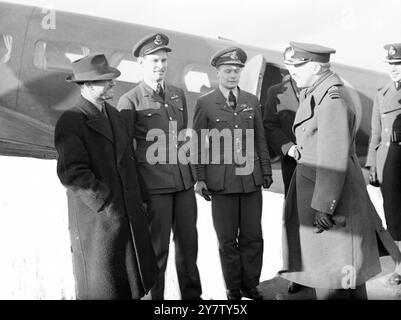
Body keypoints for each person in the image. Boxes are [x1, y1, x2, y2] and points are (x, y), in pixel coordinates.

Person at [280, 42, 401, 300]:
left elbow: (333, 158)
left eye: (297, 67)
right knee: (342, 277)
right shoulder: (319, 93)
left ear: (314, 67)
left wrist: (324, 206)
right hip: (322, 194)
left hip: (328, 203)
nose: (293, 73)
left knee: (332, 279)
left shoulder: (331, 100)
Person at [54, 53, 158, 299]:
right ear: (88, 85)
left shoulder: (115, 115)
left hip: (129, 217)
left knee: (133, 285)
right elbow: (72, 173)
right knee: (106, 288)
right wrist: (107, 203)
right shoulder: (71, 120)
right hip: (101, 223)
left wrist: (142, 201)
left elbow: (129, 163)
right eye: (106, 80)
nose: (113, 83)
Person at [117, 33, 202, 300]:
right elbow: (125, 154)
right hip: (155, 190)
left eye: (164, 60)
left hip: (184, 186)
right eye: (154, 60)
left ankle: (192, 299)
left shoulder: (177, 95)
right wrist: (137, 194)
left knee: (189, 248)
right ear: (141, 63)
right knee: (157, 251)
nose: (160, 65)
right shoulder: (129, 101)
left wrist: (193, 177)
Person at [193, 47, 273, 300]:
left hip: (250, 181)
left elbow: (260, 139)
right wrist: (200, 177)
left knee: (253, 236)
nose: (232, 75)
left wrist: (266, 170)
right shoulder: (205, 103)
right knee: (227, 240)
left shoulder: (251, 101)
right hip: (221, 182)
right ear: (217, 72)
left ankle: (251, 285)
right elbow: (197, 144)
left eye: (237, 70)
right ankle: (233, 290)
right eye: (227, 70)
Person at [263, 47, 304, 294]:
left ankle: (326, 268)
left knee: (324, 213)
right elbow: (269, 124)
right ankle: (297, 271)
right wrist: (288, 148)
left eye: (299, 63)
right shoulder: (275, 92)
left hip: (321, 162)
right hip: (292, 163)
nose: (294, 69)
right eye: (290, 64)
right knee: (295, 217)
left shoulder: (321, 89)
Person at [366, 43, 401, 285]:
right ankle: (400, 265)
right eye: (390, 64)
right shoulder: (382, 93)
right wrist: (372, 166)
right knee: (393, 214)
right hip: (388, 163)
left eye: (398, 64)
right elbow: (375, 134)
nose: (394, 69)